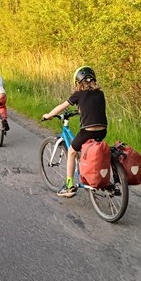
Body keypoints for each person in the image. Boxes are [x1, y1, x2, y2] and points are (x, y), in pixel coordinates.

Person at [41, 66, 107, 198]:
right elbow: (93, 108)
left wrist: (48, 115)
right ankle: (88, 171)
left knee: (71, 151)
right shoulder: (100, 93)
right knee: (87, 150)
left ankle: (69, 186)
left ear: (78, 82)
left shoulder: (78, 94)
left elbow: (61, 106)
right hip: (103, 131)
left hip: (88, 131)